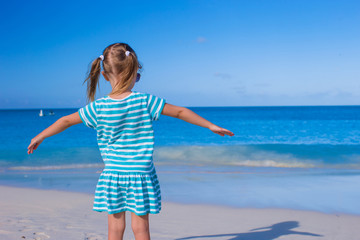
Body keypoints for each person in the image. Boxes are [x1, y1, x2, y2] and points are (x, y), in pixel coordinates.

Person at [27, 42, 234, 240]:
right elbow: (180, 112)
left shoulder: (98, 108)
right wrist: (210, 125)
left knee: (115, 228)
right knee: (141, 229)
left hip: (113, 174)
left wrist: (41, 135)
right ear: (135, 75)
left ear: (105, 75)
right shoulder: (145, 101)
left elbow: (66, 120)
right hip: (140, 174)